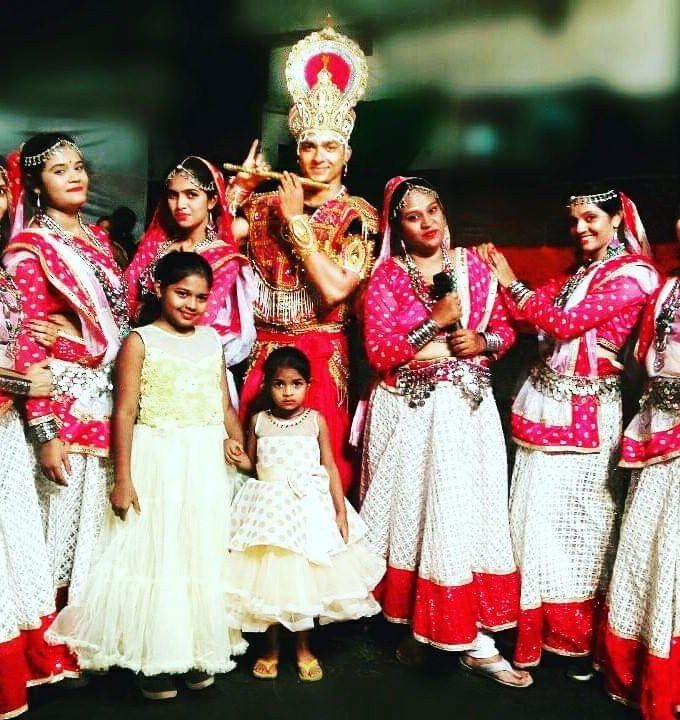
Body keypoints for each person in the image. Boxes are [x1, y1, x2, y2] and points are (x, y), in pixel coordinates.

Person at [47, 252, 246, 700]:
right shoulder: (140, 341)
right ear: (160, 290)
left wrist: (235, 443)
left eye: (201, 297)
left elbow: (222, 405)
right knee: (159, 553)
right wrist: (123, 478)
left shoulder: (211, 340)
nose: (191, 305)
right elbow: (124, 411)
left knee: (199, 551)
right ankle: (154, 658)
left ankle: (195, 650)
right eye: (182, 294)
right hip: (158, 457)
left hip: (204, 459)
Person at [477, 187, 659, 678]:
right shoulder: (577, 274)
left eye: (591, 218)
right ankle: (529, 632)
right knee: (531, 519)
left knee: (583, 528)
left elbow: (564, 321)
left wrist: (512, 284)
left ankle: (573, 642)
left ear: (617, 219)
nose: (580, 228)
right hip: (544, 407)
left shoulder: (635, 275)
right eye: (574, 220)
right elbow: (530, 315)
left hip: (591, 415)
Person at [359, 177, 529, 687]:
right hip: (417, 413)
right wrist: (433, 322)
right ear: (399, 226)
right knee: (420, 518)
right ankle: (424, 624)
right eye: (413, 217)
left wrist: (483, 340)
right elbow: (380, 353)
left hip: (470, 413)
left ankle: (470, 635)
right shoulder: (388, 275)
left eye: (432, 210)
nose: (427, 222)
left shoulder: (473, 266)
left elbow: (507, 330)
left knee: (466, 516)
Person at [227, 19, 378, 493]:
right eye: (309, 146)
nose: (319, 156)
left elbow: (334, 290)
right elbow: (213, 250)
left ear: (347, 154)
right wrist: (238, 190)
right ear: (297, 152)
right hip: (263, 354)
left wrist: (296, 223)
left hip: (321, 356)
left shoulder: (358, 216)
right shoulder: (261, 205)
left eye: (331, 146)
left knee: (318, 472)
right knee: (254, 468)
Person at [0, 146, 69, 718]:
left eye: (0, 190)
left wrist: (49, 331)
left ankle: (9, 667)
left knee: (3, 543)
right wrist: (25, 385)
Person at [3, 133, 129, 614]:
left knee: (99, 519)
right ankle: (56, 630)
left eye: (78, 166)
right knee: (62, 513)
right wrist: (45, 432)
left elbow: (119, 320)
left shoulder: (98, 239)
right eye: (59, 170)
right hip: (65, 401)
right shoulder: (30, 248)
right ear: (36, 184)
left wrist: (85, 337)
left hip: (107, 391)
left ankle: (94, 625)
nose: (75, 176)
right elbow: (27, 340)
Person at [224, 346, 383, 681]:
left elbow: (330, 467)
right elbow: (253, 465)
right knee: (269, 582)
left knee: (305, 581)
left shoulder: (314, 421)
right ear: (267, 385)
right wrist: (237, 456)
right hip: (269, 511)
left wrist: (340, 512)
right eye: (279, 384)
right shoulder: (259, 421)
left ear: (308, 385)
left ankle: (303, 647)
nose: (288, 392)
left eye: (296, 384)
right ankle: (271, 648)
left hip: (308, 509)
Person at [596, 269, 680, 719]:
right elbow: (643, 361)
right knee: (649, 547)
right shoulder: (667, 289)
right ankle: (644, 669)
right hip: (658, 434)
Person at [124, 156, 255, 398]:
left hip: (191, 370)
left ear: (212, 200)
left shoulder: (224, 257)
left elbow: (200, 318)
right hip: (137, 356)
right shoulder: (155, 246)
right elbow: (123, 298)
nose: (180, 204)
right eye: (173, 195)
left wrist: (144, 311)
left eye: (191, 195)